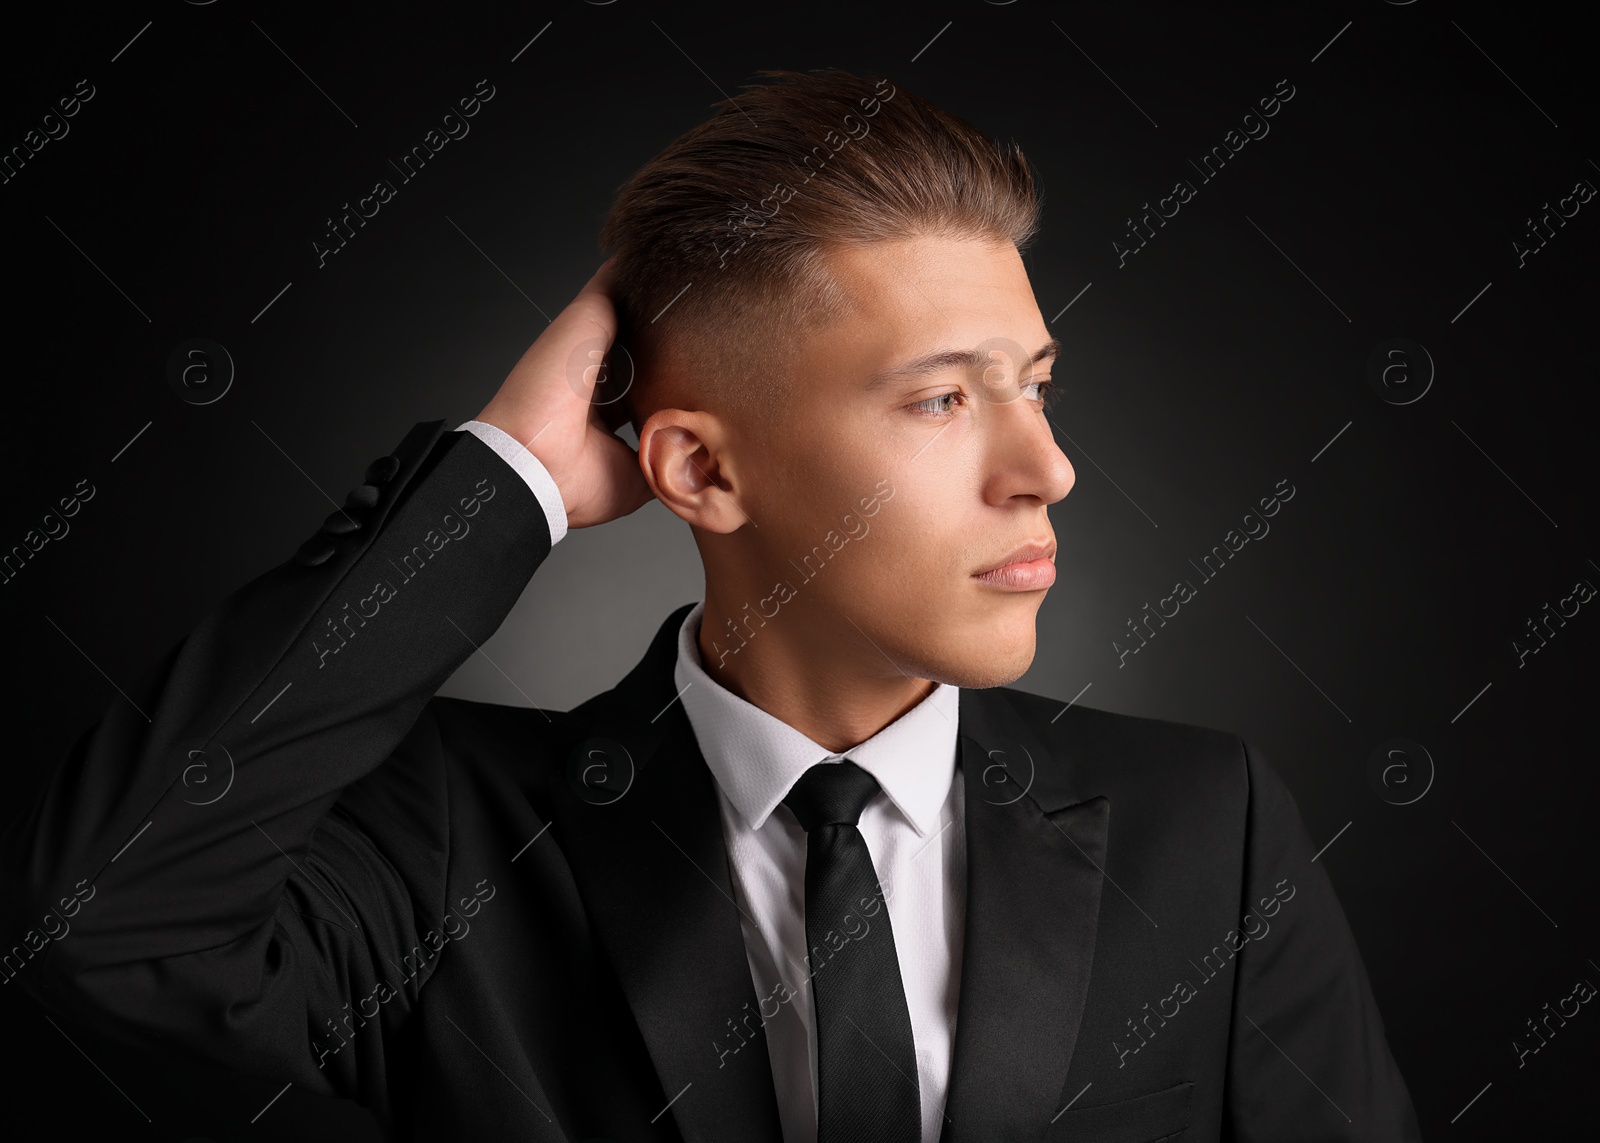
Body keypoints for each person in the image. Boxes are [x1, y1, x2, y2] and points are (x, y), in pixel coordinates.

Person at [0, 68, 1422, 1142]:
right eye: (939, 398)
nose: (1043, 468)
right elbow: (111, 926)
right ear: (700, 467)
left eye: (1032, 383)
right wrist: (507, 482)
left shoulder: (1208, 827)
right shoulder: (454, 844)